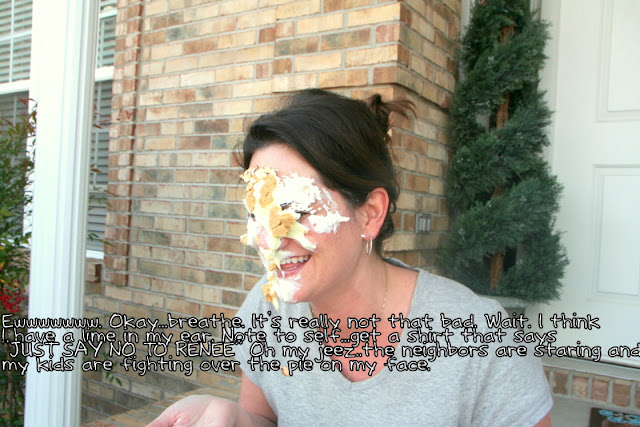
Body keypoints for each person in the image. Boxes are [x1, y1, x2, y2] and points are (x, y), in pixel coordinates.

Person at [148, 89, 552, 427]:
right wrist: (233, 419)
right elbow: (267, 419)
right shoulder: (266, 312)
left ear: (371, 213)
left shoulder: (483, 341)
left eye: (294, 209)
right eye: (257, 213)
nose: (268, 239)